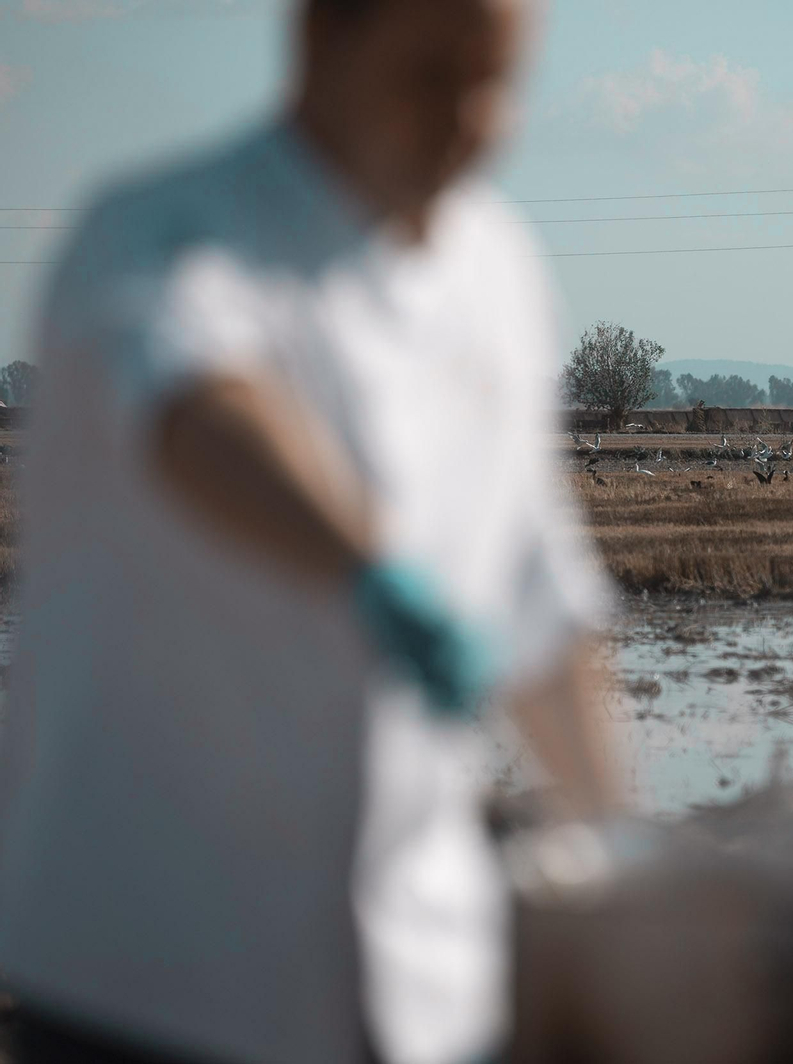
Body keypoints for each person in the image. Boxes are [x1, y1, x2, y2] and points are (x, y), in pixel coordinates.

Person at [0, 0, 616, 1061]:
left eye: (501, 80)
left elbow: (543, 608)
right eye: (433, 74)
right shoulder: (158, 231)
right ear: (324, 37)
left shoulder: (499, 271)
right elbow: (201, 411)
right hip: (147, 973)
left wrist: (623, 862)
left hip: (421, 983)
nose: (471, 117)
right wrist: (372, 570)